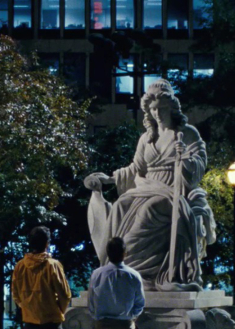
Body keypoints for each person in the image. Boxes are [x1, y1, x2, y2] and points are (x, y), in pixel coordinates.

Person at [84, 79, 215, 292]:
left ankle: (135, 269)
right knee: (120, 206)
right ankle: (116, 267)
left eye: (161, 108)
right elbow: (136, 168)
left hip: (173, 190)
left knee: (150, 208)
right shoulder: (146, 138)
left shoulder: (187, 133)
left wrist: (185, 158)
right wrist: (109, 179)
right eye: (153, 109)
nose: (157, 113)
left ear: (171, 107)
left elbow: (200, 165)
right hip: (146, 187)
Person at [11, 226, 72, 329]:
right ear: (47, 243)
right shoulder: (53, 265)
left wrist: (27, 308)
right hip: (51, 322)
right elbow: (65, 295)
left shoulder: (20, 266)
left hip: (30, 322)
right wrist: (59, 310)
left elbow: (16, 294)